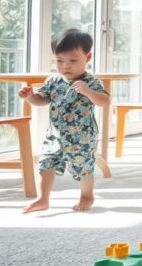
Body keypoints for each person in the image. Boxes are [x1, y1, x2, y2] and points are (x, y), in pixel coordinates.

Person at [20, 28, 110, 213]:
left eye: (73, 61)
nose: (66, 66)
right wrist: (30, 97)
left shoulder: (91, 82)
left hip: (82, 137)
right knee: (45, 163)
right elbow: (42, 100)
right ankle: (42, 198)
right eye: (59, 61)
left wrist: (88, 91)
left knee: (83, 167)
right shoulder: (53, 80)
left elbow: (105, 101)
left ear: (88, 57)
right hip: (55, 134)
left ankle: (87, 195)